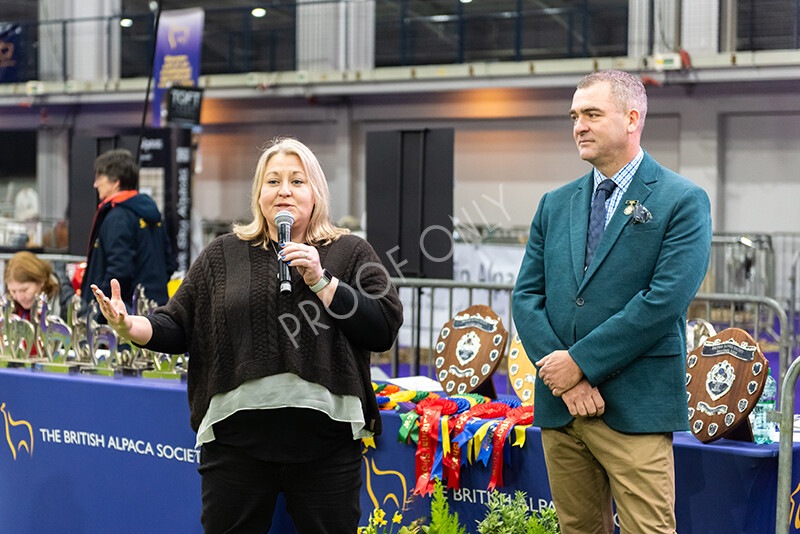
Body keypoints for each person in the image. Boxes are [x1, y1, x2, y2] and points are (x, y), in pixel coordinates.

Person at [91, 137, 403, 533]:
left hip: (326, 445)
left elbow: (383, 326)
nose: (284, 190)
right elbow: (178, 325)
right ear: (258, 195)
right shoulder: (223, 255)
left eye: (297, 181)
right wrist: (127, 324)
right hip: (236, 445)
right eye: (272, 181)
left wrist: (323, 281)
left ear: (316, 193)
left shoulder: (350, 251)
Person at [512, 70, 712, 534]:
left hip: (635, 406)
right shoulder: (554, 203)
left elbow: (663, 302)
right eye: (575, 116)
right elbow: (526, 297)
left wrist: (580, 363)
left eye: (592, 114)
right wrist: (566, 380)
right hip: (562, 407)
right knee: (577, 528)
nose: (579, 125)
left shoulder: (682, 199)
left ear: (632, 118)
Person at [80, 148, 176, 315]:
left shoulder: (118, 216)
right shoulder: (151, 212)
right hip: (155, 311)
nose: (95, 184)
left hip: (123, 318)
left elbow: (119, 271)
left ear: (115, 181)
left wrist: (99, 310)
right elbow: (169, 263)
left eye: (99, 178)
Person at [4, 250, 74, 323]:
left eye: (24, 290)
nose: (19, 297)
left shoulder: (66, 301)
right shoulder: (8, 306)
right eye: (13, 291)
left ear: (41, 281)